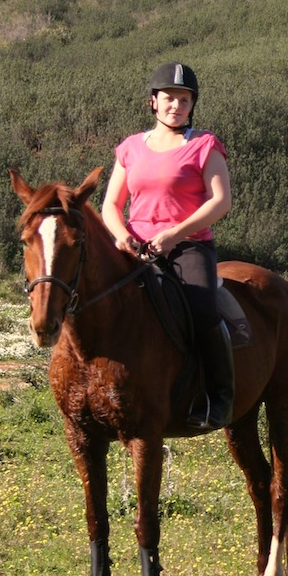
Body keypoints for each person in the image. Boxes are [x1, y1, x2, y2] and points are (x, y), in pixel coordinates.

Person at [101, 61, 234, 430]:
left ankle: (218, 400)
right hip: (135, 247)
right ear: (153, 102)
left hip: (187, 247)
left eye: (184, 99)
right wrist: (122, 235)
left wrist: (175, 234)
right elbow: (111, 205)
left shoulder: (205, 145)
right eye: (170, 98)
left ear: (192, 105)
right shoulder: (130, 148)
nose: (177, 105)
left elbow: (220, 202)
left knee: (203, 310)